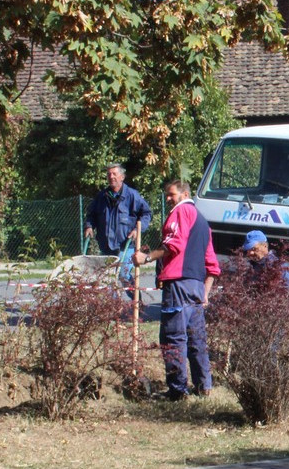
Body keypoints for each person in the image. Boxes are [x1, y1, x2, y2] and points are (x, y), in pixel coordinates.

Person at [132, 180, 220, 401]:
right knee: (196, 339)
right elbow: (212, 265)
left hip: (179, 286)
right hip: (196, 287)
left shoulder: (180, 213)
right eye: (167, 195)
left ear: (185, 194)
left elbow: (173, 244)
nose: (168, 199)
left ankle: (177, 391)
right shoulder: (202, 222)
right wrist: (205, 292)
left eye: (171, 194)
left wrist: (146, 257)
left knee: (173, 339)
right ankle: (203, 386)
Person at [84, 163, 152, 292]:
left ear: (122, 177)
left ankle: (137, 304)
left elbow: (146, 214)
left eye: (114, 174)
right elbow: (91, 214)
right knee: (108, 279)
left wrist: (138, 229)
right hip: (106, 246)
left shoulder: (132, 195)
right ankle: (114, 309)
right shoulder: (101, 197)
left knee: (123, 275)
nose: (111, 176)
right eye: (109, 174)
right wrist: (89, 226)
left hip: (125, 246)